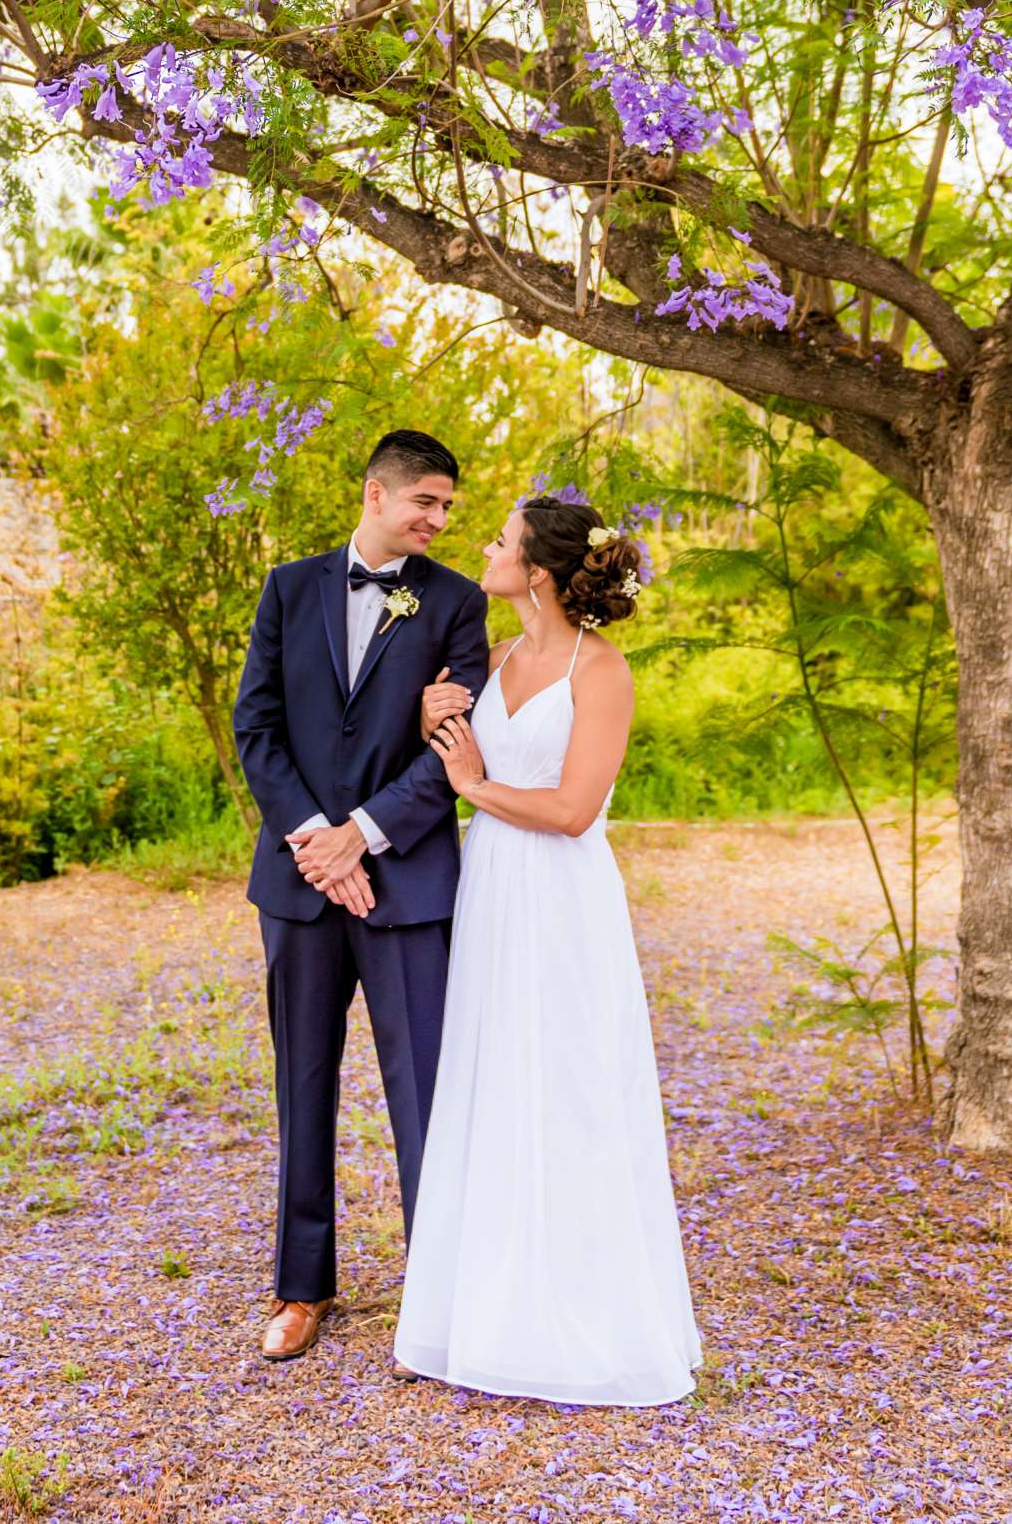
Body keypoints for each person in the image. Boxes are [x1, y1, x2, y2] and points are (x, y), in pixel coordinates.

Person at [393, 494, 701, 1405]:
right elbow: (457, 757)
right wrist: (435, 726)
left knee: (566, 1084)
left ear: (535, 571)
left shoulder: (599, 671)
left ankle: (583, 1317)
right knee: (493, 1081)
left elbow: (570, 812)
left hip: (561, 902)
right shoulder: (487, 664)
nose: (482, 546)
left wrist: (468, 783)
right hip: (489, 892)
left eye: (498, 539)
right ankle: (488, 1313)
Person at [232, 429, 490, 1362]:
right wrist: (316, 842)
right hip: (300, 887)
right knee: (302, 1084)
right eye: (425, 501)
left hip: (406, 880)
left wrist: (363, 835)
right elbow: (255, 726)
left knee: (422, 1090)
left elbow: (455, 750)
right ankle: (301, 1290)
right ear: (374, 493)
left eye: (447, 508)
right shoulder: (288, 589)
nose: (437, 519)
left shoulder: (457, 604)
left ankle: (440, 1289)